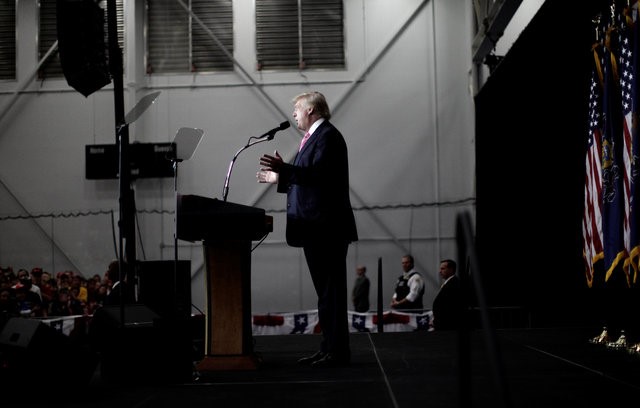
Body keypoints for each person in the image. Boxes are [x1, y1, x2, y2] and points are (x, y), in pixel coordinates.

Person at [257, 91, 358, 368]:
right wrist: (281, 176)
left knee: (331, 294)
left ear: (311, 110)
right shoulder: (314, 138)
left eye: (297, 110)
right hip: (316, 228)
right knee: (326, 295)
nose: (294, 115)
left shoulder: (327, 136)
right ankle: (329, 348)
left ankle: (337, 352)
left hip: (326, 228)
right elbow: (310, 179)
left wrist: (285, 169)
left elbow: (319, 177)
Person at [431, 259, 463, 331]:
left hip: (448, 326)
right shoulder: (449, 283)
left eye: (443, 269)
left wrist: (437, 321)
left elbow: (448, 307)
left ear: (451, 270)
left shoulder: (453, 284)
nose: (440, 271)